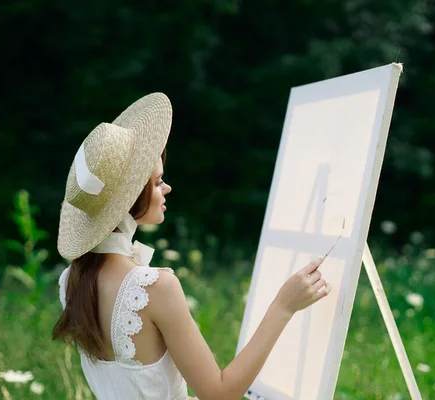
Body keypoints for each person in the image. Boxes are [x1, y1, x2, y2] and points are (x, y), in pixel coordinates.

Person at [52, 93, 332, 400]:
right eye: (158, 182)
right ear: (129, 200)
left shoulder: (71, 281)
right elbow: (219, 394)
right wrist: (283, 306)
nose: (167, 188)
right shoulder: (153, 288)